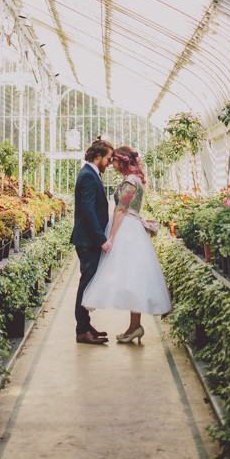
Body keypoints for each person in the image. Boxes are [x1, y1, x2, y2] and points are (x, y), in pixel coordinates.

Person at [82, 145, 172, 344]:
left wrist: (111, 237)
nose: (111, 163)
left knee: (132, 278)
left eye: (114, 160)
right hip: (130, 227)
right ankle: (134, 327)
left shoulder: (130, 181)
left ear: (122, 161)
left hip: (126, 229)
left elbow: (121, 210)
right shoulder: (131, 179)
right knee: (134, 278)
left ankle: (134, 326)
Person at [70, 138, 114, 345]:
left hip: (89, 240)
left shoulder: (90, 173)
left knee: (87, 283)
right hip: (88, 241)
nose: (110, 162)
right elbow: (88, 210)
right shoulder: (88, 175)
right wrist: (101, 239)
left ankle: (86, 326)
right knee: (86, 284)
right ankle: (81, 330)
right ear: (98, 157)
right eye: (108, 158)